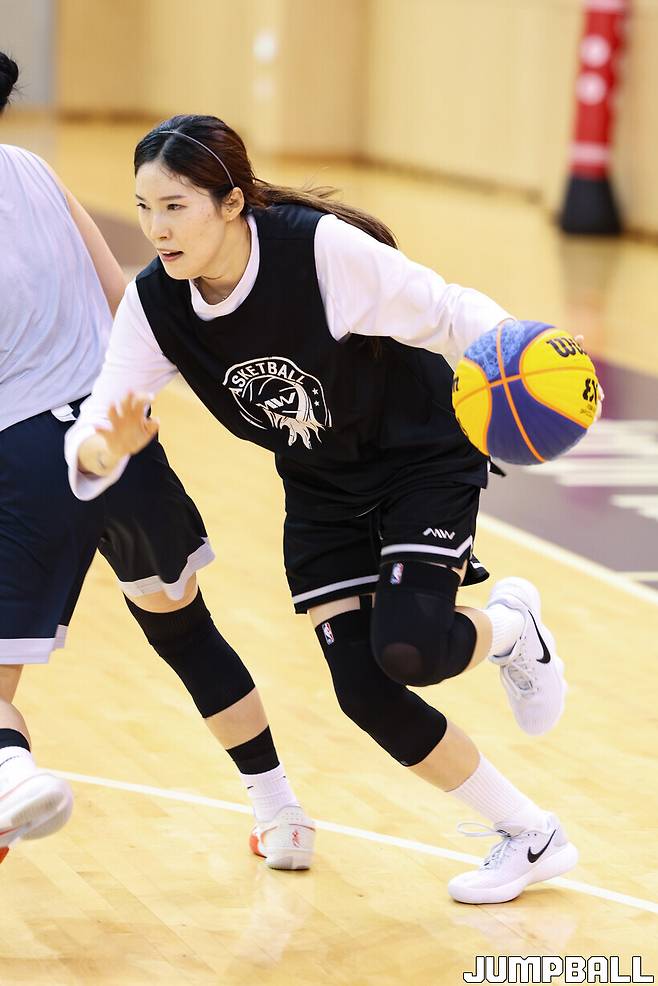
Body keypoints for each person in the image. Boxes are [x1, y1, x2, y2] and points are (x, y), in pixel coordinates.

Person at [65, 112, 583, 905]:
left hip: (418, 453)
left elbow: (446, 309)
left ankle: (512, 628)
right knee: (364, 689)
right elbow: (101, 419)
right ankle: (531, 834)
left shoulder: (317, 252)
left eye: (174, 207)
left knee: (411, 650)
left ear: (231, 203)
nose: (156, 229)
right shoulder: (156, 305)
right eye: (143, 208)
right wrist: (104, 449)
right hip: (321, 484)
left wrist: (515, 348)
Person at [0, 56, 314, 871]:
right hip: (116, 433)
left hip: (27, 457)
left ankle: (11, 778)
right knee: (185, 631)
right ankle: (281, 813)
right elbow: (125, 296)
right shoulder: (29, 168)